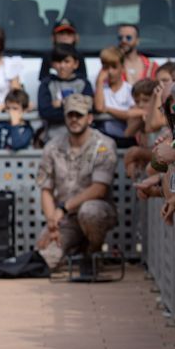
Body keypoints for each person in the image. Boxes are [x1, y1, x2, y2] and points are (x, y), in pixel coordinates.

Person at [35, 93, 118, 272]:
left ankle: (93, 252)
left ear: (89, 118)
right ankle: (72, 252)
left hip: (96, 211)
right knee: (45, 256)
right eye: (70, 115)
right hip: (65, 220)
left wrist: (63, 208)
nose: (74, 119)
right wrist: (52, 223)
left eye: (79, 115)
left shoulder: (104, 145)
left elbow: (99, 189)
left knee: (89, 212)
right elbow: (46, 189)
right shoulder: (52, 146)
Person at [38, 44, 94, 143]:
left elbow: (88, 109)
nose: (62, 66)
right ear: (52, 64)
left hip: (82, 140)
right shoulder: (47, 84)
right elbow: (45, 112)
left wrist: (62, 103)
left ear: (76, 64)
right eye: (58, 61)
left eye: (66, 61)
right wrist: (76, 108)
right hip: (54, 140)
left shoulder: (83, 83)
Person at [94, 46, 136, 145]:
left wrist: (108, 110)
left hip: (125, 139)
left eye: (114, 67)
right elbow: (99, 107)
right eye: (106, 67)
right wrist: (99, 82)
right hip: (104, 140)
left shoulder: (129, 90)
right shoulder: (100, 88)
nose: (110, 72)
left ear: (122, 68)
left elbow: (134, 113)